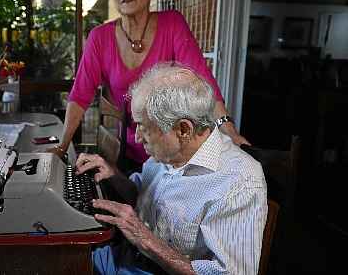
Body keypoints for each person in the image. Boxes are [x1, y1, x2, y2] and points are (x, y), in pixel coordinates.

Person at [49, 0, 248, 172]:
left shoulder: (172, 23)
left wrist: (228, 130)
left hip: (177, 150)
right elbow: (80, 96)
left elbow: (202, 80)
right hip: (130, 151)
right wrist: (62, 146)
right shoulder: (99, 37)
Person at [76, 63, 267, 275]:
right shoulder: (169, 150)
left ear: (183, 129)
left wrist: (145, 239)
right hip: (127, 256)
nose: (137, 138)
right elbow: (143, 193)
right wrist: (114, 175)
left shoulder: (239, 182)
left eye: (144, 128)